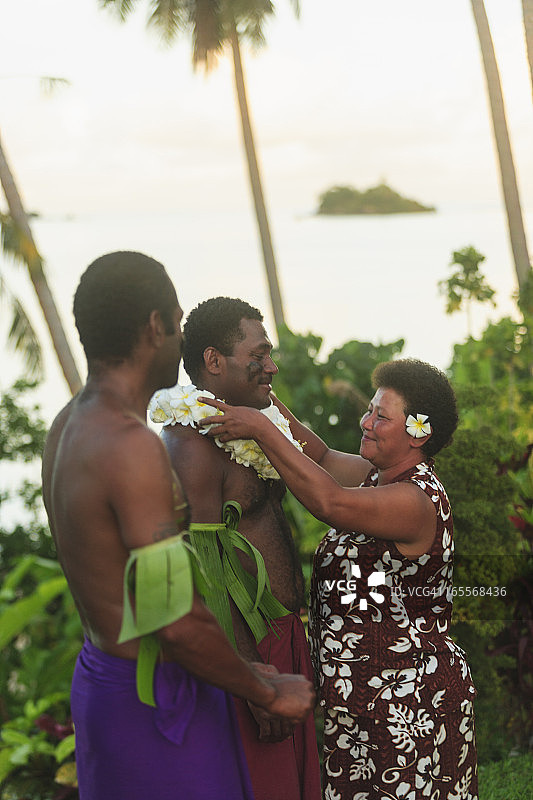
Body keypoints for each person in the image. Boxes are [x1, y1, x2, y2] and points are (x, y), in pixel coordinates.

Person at [41, 253, 314, 800]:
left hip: (100, 679)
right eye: (178, 320)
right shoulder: (131, 445)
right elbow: (174, 619)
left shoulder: (66, 425)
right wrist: (262, 688)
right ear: (154, 327)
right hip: (156, 696)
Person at [198, 358, 479, 800]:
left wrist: (260, 429)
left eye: (381, 417)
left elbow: (329, 503)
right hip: (364, 706)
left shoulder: (415, 500)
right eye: (370, 409)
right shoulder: (377, 480)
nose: (365, 422)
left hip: (410, 708)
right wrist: (263, 399)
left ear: (417, 433)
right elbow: (322, 456)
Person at [150, 297, 321, 800]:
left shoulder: (258, 421)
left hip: (287, 639)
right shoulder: (190, 442)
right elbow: (200, 570)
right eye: (259, 352)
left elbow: (330, 470)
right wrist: (252, 680)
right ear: (213, 361)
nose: (271, 364)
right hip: (248, 649)